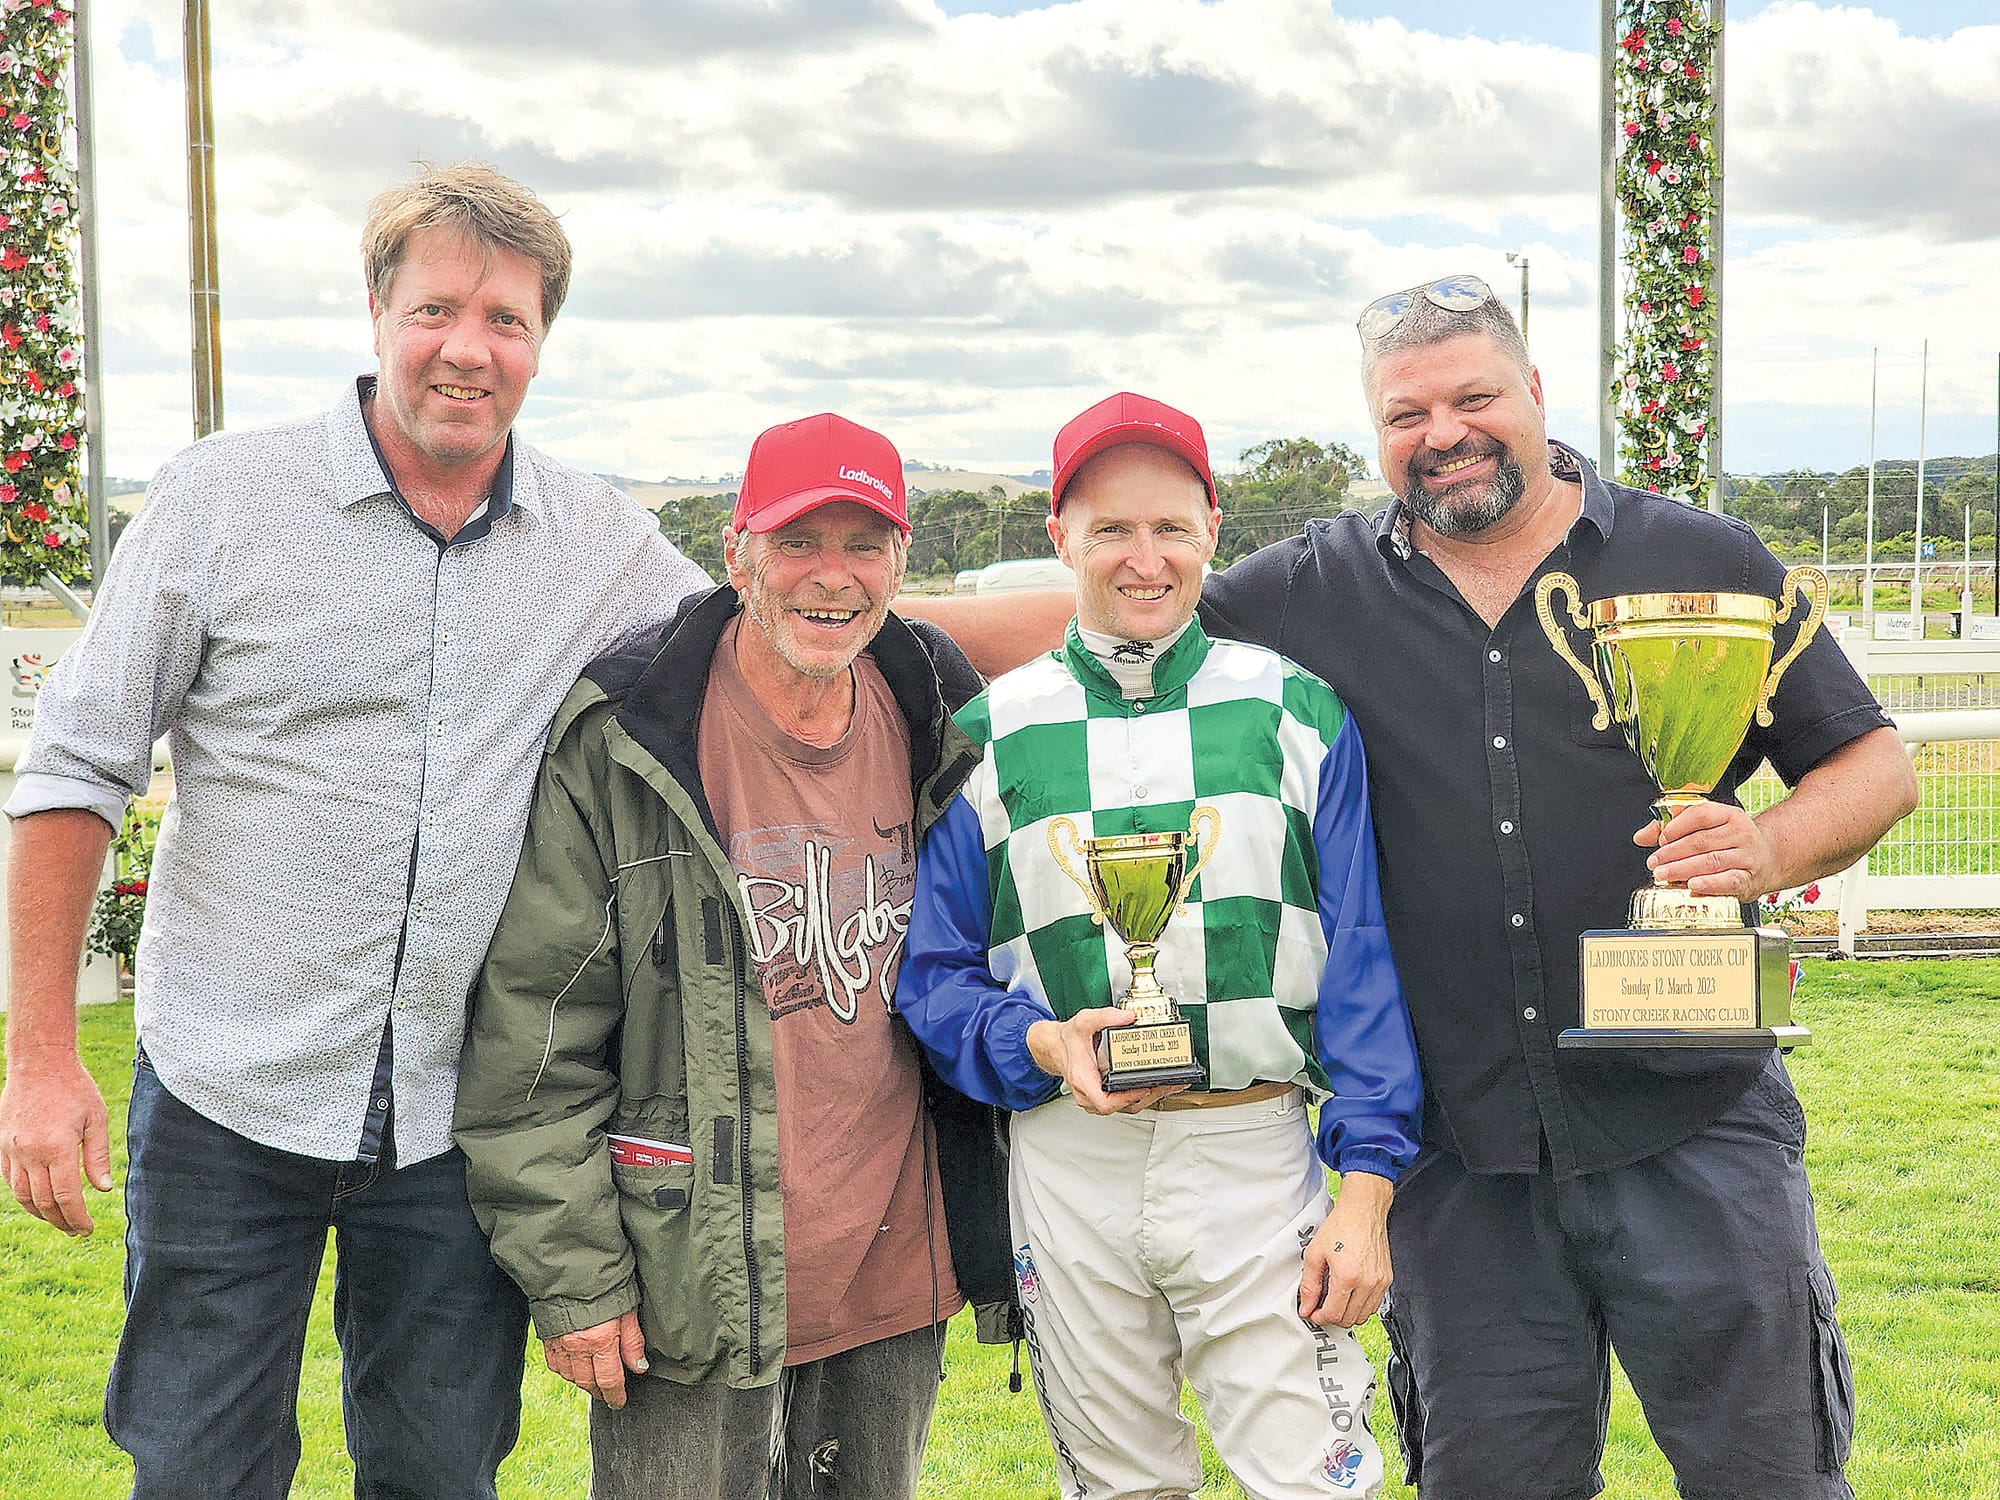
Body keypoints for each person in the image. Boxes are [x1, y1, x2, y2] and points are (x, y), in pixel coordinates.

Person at [0, 163, 708, 1499]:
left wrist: (1116, 620)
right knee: (201, 1471)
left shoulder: (603, 543)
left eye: (506, 319)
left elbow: (779, 638)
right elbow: (75, 768)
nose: (468, 348)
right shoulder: (216, 504)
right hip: (224, 1099)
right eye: (438, 308)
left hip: (459, 1118)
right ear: (378, 312)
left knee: (439, 1476)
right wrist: (39, 1062)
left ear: (541, 344)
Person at [452, 411, 1015, 1500]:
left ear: (905, 558)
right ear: (736, 549)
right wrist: (576, 1282)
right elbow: (535, 1037)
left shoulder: (937, 712)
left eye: (864, 544)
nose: (832, 577)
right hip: (690, 1278)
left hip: (891, 1269)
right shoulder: (628, 736)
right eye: (798, 541)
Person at [894, 391, 1423, 1500]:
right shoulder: (988, 735)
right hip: (1067, 1161)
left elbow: (1364, 963)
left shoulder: (1297, 714)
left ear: (1211, 532)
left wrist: (1366, 1186)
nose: (1145, 559)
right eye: (1111, 531)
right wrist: (1036, 1042)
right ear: (1059, 538)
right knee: (1116, 1485)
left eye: (1170, 528)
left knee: (1316, 1481)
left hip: (1255, 1151)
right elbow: (931, 978)